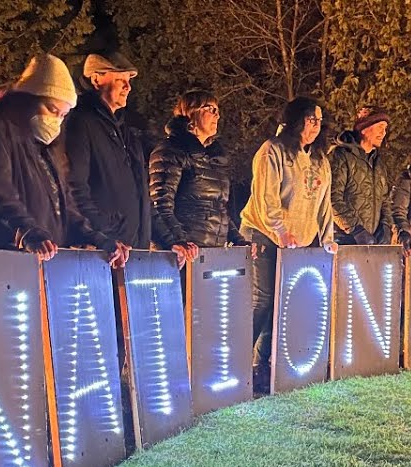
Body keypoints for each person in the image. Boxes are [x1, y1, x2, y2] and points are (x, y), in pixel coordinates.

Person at [0, 54, 129, 268]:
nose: (55, 121)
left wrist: (99, 240)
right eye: (52, 110)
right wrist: (29, 232)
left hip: (48, 264)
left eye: (62, 116)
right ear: (28, 99)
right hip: (8, 263)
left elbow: (65, 208)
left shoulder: (47, 149)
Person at [237, 97, 338, 395]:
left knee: (282, 305)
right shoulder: (273, 150)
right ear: (295, 120)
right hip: (265, 235)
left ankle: (261, 365)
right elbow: (266, 197)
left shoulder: (320, 160)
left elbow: (324, 204)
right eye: (310, 119)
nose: (315, 126)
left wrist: (328, 239)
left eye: (319, 120)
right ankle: (235, 364)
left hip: (299, 243)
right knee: (264, 301)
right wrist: (280, 231)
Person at [62, 53, 171, 262]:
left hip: (133, 253)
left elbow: (143, 197)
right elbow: (74, 190)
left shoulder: (127, 133)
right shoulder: (80, 124)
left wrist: (168, 241)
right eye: (121, 79)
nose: (128, 87)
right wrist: (103, 239)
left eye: (129, 81)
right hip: (105, 255)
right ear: (96, 79)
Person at [148, 89, 247, 262]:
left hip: (212, 254)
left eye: (218, 111)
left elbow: (219, 209)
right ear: (191, 112)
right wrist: (178, 242)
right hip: (184, 254)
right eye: (211, 109)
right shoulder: (171, 150)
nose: (217, 116)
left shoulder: (213, 160)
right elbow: (161, 204)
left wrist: (237, 240)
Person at [329, 106, 395, 246]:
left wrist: (385, 226)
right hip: (345, 241)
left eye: (385, 129)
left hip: (373, 241)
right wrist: (356, 229)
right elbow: (332, 199)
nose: (383, 133)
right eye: (380, 127)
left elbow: (385, 200)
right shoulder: (342, 156)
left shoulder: (379, 163)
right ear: (364, 129)